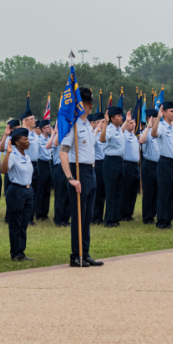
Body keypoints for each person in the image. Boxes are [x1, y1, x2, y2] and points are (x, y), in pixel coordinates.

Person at [59, 87, 104, 267]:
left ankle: (85, 253)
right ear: (79, 104)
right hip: (78, 172)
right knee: (78, 215)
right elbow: (63, 153)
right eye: (86, 103)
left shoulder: (87, 125)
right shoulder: (74, 125)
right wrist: (71, 178)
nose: (90, 106)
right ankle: (76, 255)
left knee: (87, 216)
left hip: (91, 171)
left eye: (90, 103)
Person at [1, 126, 34, 262]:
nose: (28, 141)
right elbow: (3, 170)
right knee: (16, 223)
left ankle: (21, 251)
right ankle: (15, 253)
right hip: (16, 191)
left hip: (28, 191)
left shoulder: (27, 156)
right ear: (17, 142)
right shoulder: (13, 155)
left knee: (24, 222)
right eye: (25, 139)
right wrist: (7, 154)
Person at [152, 102, 173, 229]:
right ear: (164, 113)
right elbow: (153, 134)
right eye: (171, 111)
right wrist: (158, 118)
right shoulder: (162, 126)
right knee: (164, 194)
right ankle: (161, 221)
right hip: (165, 162)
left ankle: (168, 220)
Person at [100, 106, 125, 227]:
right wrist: (105, 123)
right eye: (119, 116)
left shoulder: (119, 129)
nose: (121, 117)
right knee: (111, 191)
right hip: (111, 161)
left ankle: (116, 218)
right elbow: (102, 138)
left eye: (121, 115)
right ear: (112, 118)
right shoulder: (109, 129)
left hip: (120, 161)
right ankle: (109, 220)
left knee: (119, 191)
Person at [139, 109, 160, 225]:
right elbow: (141, 141)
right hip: (149, 164)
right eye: (154, 118)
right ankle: (147, 217)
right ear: (148, 119)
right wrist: (148, 127)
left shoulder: (158, 131)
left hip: (158, 164)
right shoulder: (146, 132)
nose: (156, 120)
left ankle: (153, 213)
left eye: (157, 118)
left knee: (156, 191)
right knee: (148, 191)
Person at [120, 111, 140, 222]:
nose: (133, 125)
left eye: (134, 123)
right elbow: (120, 131)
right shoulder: (123, 134)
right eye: (130, 123)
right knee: (126, 190)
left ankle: (129, 213)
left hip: (135, 165)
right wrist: (125, 122)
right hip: (127, 164)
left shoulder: (134, 136)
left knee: (133, 190)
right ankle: (123, 213)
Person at [50, 124, 70, 227]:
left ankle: (66, 218)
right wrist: (58, 130)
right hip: (60, 167)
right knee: (60, 194)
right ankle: (58, 219)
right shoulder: (58, 136)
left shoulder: (71, 136)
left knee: (69, 195)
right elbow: (54, 143)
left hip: (70, 167)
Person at [35, 120, 53, 220]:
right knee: (40, 190)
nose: (49, 128)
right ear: (42, 129)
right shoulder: (38, 140)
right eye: (47, 127)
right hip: (41, 164)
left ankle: (45, 213)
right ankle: (39, 213)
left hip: (49, 164)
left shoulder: (51, 139)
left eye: (50, 127)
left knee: (47, 190)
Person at [90, 112, 106, 224]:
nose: (104, 124)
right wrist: (97, 130)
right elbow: (91, 143)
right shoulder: (92, 133)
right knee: (97, 192)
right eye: (102, 122)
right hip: (97, 164)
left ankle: (100, 216)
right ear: (95, 123)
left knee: (103, 192)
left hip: (105, 163)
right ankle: (94, 217)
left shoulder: (104, 134)